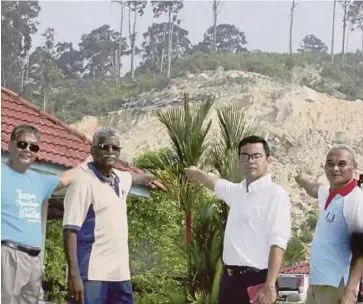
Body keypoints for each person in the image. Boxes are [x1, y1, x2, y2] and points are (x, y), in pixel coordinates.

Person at [184, 135, 292, 304]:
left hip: (257, 281)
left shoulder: (276, 194)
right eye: (245, 156)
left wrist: (270, 285)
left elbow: (278, 243)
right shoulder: (238, 192)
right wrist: (196, 173)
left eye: (256, 156)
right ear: (239, 160)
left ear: (268, 160)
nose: (251, 161)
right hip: (229, 282)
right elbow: (214, 182)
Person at [62, 128, 156, 304]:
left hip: (119, 275)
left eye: (115, 148)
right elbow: (70, 231)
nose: (110, 152)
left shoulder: (119, 178)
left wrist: (152, 177)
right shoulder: (83, 182)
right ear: (93, 150)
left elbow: (135, 178)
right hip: (91, 274)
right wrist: (74, 276)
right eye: (105, 147)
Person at [1, 124, 88, 304]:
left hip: (34, 260)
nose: (27, 150)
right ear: (10, 145)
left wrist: (89, 163)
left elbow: (65, 178)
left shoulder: (38, 181)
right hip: (8, 255)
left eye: (33, 147)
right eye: (22, 144)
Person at [295, 146, 363, 304]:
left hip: (337, 286)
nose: (335, 168)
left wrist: (350, 290)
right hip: (317, 282)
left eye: (342, 163)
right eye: (330, 163)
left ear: (354, 167)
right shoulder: (328, 193)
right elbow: (313, 188)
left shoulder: (355, 200)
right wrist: (301, 178)